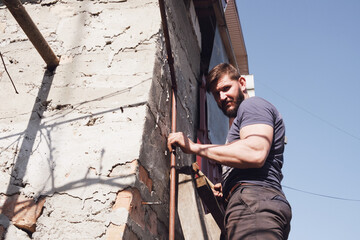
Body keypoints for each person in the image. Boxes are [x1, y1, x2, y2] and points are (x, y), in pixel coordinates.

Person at [167, 63, 292, 239]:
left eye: (226, 88)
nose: (222, 96)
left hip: (254, 203)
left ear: (241, 83)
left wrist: (194, 147)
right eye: (217, 94)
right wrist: (227, 186)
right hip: (250, 204)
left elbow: (254, 152)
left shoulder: (252, 106)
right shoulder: (240, 120)